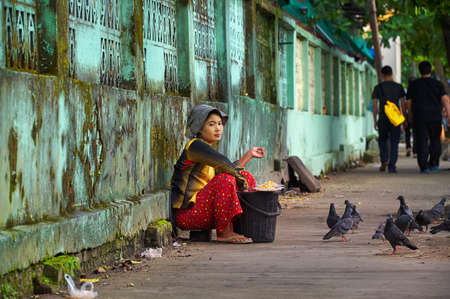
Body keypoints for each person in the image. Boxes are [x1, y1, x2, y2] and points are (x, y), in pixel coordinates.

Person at [170, 104, 266, 244]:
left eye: (220, 124)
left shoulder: (207, 151)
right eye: (211, 124)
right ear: (199, 128)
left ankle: (243, 227)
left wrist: (249, 155)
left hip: (203, 211)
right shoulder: (194, 146)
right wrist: (243, 184)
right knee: (225, 180)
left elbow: (229, 169)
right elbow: (224, 165)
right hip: (187, 215)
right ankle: (224, 233)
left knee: (246, 176)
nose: (218, 128)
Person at [406, 61, 450, 173]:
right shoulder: (438, 84)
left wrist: (410, 114)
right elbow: (446, 100)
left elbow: (409, 102)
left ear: (419, 71)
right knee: (435, 140)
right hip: (435, 117)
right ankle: (434, 164)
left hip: (420, 117)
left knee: (422, 141)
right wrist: (449, 115)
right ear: (430, 70)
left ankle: (424, 166)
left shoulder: (414, 85)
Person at [372, 65, 406, 173]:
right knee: (394, 141)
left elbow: (375, 105)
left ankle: (384, 161)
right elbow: (403, 104)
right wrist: (403, 117)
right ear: (391, 74)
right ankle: (392, 166)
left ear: (382, 75)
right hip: (395, 118)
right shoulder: (399, 87)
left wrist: (375, 119)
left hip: (383, 117)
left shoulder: (378, 87)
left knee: (382, 140)